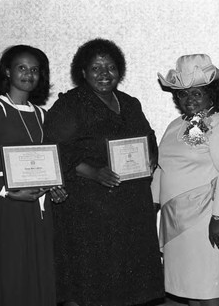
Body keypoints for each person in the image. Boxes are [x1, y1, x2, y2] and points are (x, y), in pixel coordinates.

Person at [44, 38, 164, 306]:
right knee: (94, 279)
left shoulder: (130, 103)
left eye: (110, 67)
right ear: (83, 72)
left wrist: (151, 157)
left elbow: (148, 137)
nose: (104, 74)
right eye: (96, 68)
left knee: (129, 278)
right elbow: (55, 149)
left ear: (119, 71)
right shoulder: (70, 104)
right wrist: (93, 172)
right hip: (89, 207)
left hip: (131, 206)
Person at [154, 54, 219, 306]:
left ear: (211, 94)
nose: (189, 99)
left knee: (209, 288)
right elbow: (161, 168)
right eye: (183, 94)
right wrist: (151, 207)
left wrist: (218, 218)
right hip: (176, 223)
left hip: (208, 220)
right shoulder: (175, 125)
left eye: (197, 93)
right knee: (191, 290)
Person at [0, 45, 67, 306]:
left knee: (39, 275)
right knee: (12, 275)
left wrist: (56, 187)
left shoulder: (43, 115)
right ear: (7, 71)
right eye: (22, 67)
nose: (29, 74)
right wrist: (8, 191)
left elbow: (51, 162)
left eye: (35, 70)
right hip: (9, 207)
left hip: (40, 211)